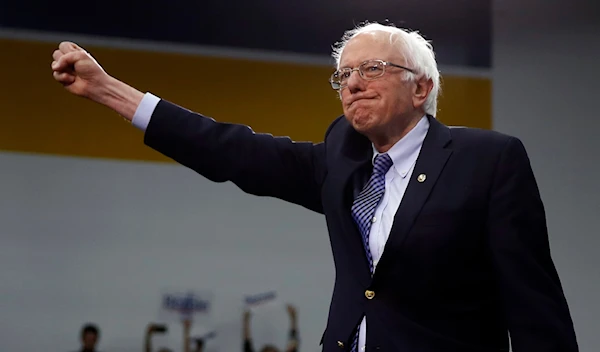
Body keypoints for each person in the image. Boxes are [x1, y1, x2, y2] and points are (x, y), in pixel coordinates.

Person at [51, 22, 579, 351]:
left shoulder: (487, 160)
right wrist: (110, 92)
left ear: (421, 87)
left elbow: (535, 306)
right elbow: (233, 150)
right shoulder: (343, 159)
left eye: (371, 69)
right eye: (343, 75)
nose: (350, 84)